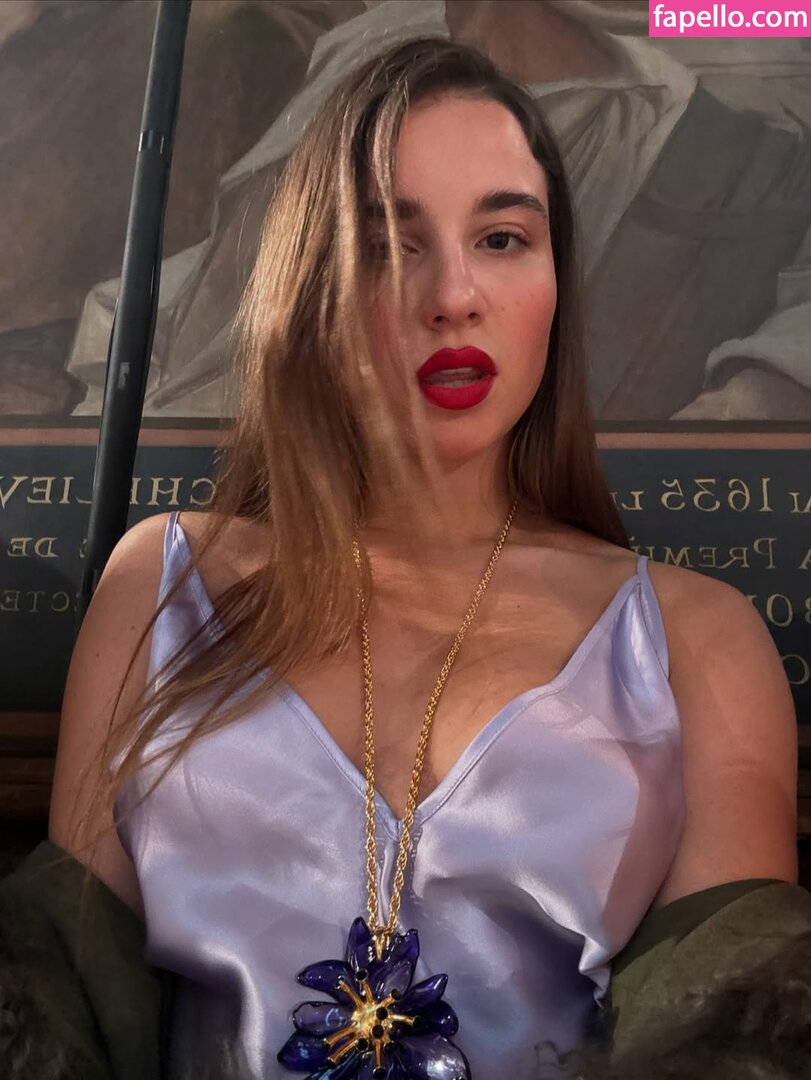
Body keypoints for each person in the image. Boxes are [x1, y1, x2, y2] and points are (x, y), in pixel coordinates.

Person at [44, 37, 798, 1080]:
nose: (453, 296)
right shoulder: (162, 586)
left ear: (556, 282)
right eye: (389, 245)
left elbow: (730, 1043)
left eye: (501, 238)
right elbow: (67, 1005)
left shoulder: (694, 640)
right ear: (309, 282)